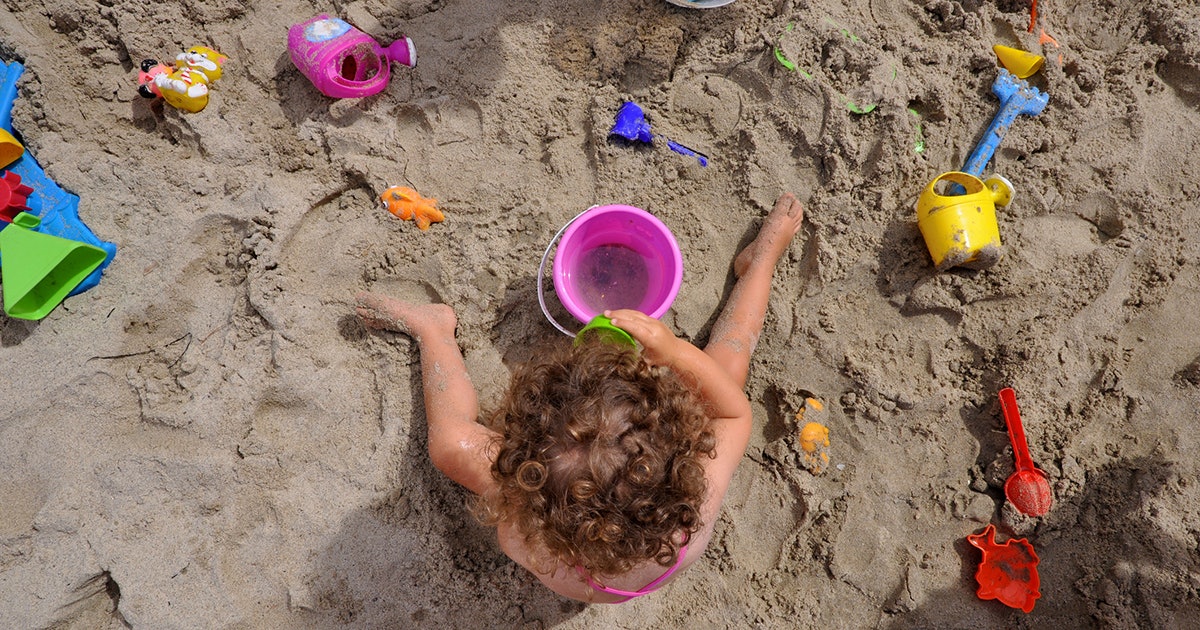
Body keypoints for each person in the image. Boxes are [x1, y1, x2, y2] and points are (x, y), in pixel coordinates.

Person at [355, 192, 805, 603]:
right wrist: (675, 352)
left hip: (571, 554)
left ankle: (434, 329)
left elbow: (521, 494)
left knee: (452, 445)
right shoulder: (691, 515)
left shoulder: (526, 528)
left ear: (520, 464)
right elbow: (733, 414)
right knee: (727, 363)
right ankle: (760, 263)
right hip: (620, 573)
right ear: (678, 458)